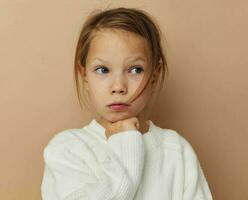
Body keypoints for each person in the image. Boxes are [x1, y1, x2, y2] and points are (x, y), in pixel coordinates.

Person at [41, 7, 213, 200]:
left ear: (154, 76)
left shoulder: (177, 150)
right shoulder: (68, 150)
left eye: (135, 70)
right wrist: (125, 142)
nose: (118, 87)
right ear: (84, 76)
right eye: (103, 70)